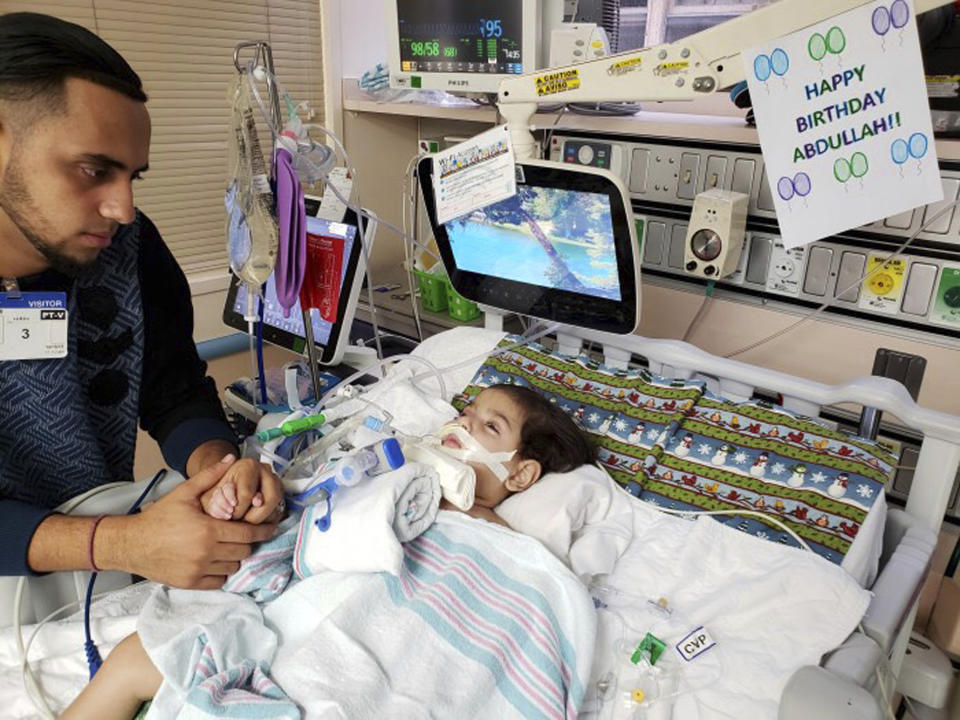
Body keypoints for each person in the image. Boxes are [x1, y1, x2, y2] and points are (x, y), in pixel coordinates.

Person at [62, 383, 598, 719]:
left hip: (386, 664)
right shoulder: (402, 481)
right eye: (467, 412)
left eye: (489, 427)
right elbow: (307, 533)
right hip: (311, 620)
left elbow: (527, 624)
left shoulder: (518, 553)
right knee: (139, 655)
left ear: (522, 472)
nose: (462, 425)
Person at [0, 12, 282, 588]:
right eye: (93, 170)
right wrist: (122, 541)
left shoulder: (126, 247)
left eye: (134, 176)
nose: (122, 209)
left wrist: (220, 469)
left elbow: (173, 388)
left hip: (95, 567)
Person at [439, 383, 597, 525]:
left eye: (491, 426)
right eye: (464, 414)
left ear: (519, 475)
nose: (462, 423)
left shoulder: (495, 533)